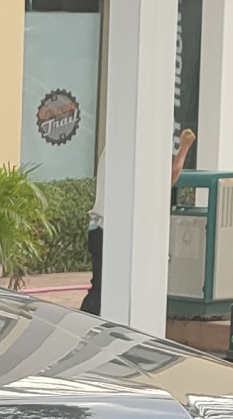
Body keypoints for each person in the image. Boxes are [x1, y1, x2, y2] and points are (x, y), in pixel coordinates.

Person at [82, 128, 196, 316]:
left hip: (98, 226)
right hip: (115, 232)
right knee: (116, 293)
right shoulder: (139, 148)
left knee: (101, 290)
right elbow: (167, 180)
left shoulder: (116, 142)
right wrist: (184, 148)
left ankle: (87, 332)